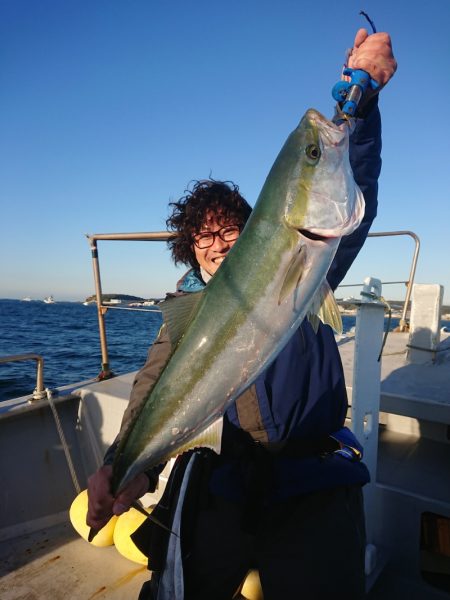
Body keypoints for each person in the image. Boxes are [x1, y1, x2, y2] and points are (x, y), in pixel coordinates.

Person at [87, 29, 397, 600]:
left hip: (315, 474)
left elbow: (358, 179)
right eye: (203, 236)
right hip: (238, 475)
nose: (217, 242)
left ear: (257, 227)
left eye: (230, 228)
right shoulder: (184, 312)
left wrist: (363, 101)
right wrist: (125, 466)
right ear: (189, 249)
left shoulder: (312, 261)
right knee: (181, 584)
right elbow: (155, 387)